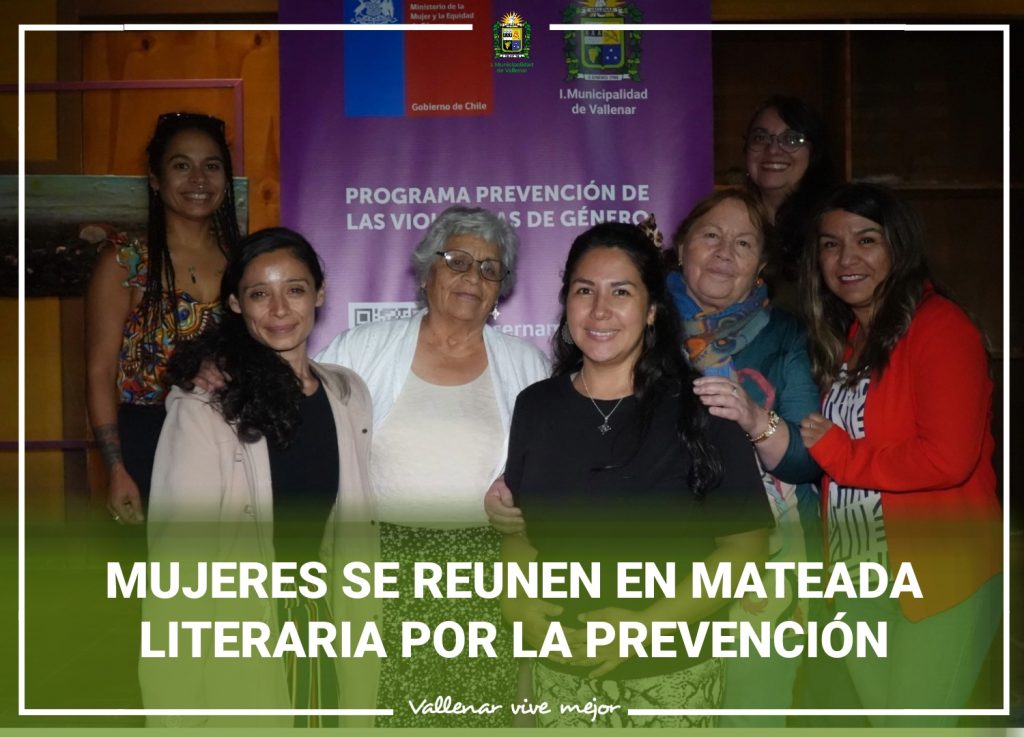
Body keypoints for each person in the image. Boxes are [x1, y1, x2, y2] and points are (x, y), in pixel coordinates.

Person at [502, 222, 773, 727]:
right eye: (585, 290)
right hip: (561, 677)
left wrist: (644, 628)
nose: (600, 310)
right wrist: (517, 602)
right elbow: (519, 533)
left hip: (671, 678)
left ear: (651, 310)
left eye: (621, 292)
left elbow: (745, 550)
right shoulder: (536, 406)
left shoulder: (704, 408)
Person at [315, 205, 549, 725]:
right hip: (383, 573)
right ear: (427, 272)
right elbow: (300, 415)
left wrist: (523, 504)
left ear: (501, 288)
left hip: (486, 578)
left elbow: (549, 470)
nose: (473, 277)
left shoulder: (528, 365)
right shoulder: (361, 349)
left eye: (489, 268)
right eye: (457, 261)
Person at [141, 228, 379, 726]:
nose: (279, 309)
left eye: (295, 289)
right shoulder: (206, 405)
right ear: (235, 304)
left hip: (325, 624)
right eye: (258, 294)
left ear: (320, 294)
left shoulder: (347, 394)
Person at [798, 183, 1001, 722]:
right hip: (858, 577)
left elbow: (947, 459)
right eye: (831, 244)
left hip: (936, 575)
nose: (846, 258)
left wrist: (841, 455)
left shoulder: (941, 328)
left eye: (866, 240)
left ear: (899, 247)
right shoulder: (853, 337)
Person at [670, 188, 823, 722]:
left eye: (743, 243)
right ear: (682, 246)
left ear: (760, 265)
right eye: (711, 235)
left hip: (770, 557)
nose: (724, 252)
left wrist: (756, 419)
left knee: (752, 715)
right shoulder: (641, 322)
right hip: (663, 546)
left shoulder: (786, 334)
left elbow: (806, 459)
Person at [85, 111, 241, 525]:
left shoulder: (245, 262)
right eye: (181, 165)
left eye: (212, 166)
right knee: (153, 564)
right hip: (147, 440)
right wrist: (116, 468)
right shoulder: (125, 261)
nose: (199, 179)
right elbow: (100, 371)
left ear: (226, 179)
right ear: (155, 179)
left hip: (231, 435)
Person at [743, 95, 836, 287]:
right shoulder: (731, 220)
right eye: (760, 138)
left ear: (815, 152)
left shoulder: (831, 223)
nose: (773, 150)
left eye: (792, 139)